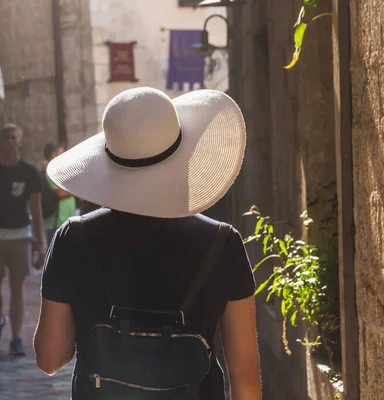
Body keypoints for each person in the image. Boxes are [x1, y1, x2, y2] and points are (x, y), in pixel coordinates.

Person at [34, 87, 262, 399]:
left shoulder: (73, 238)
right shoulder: (223, 243)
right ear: (185, 153)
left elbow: (49, 359)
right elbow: (245, 374)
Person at [0, 123, 46, 356]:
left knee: (17, 288)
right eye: (6, 137)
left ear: (20, 142)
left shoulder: (29, 172)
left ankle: (16, 337)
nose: (10, 141)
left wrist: (40, 242)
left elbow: (36, 210)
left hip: (19, 237)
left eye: (14, 137)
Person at [41, 142, 77, 244]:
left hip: (64, 222)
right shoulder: (51, 171)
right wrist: (76, 190)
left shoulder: (60, 171)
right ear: (53, 155)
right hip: (56, 224)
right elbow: (60, 193)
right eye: (62, 153)